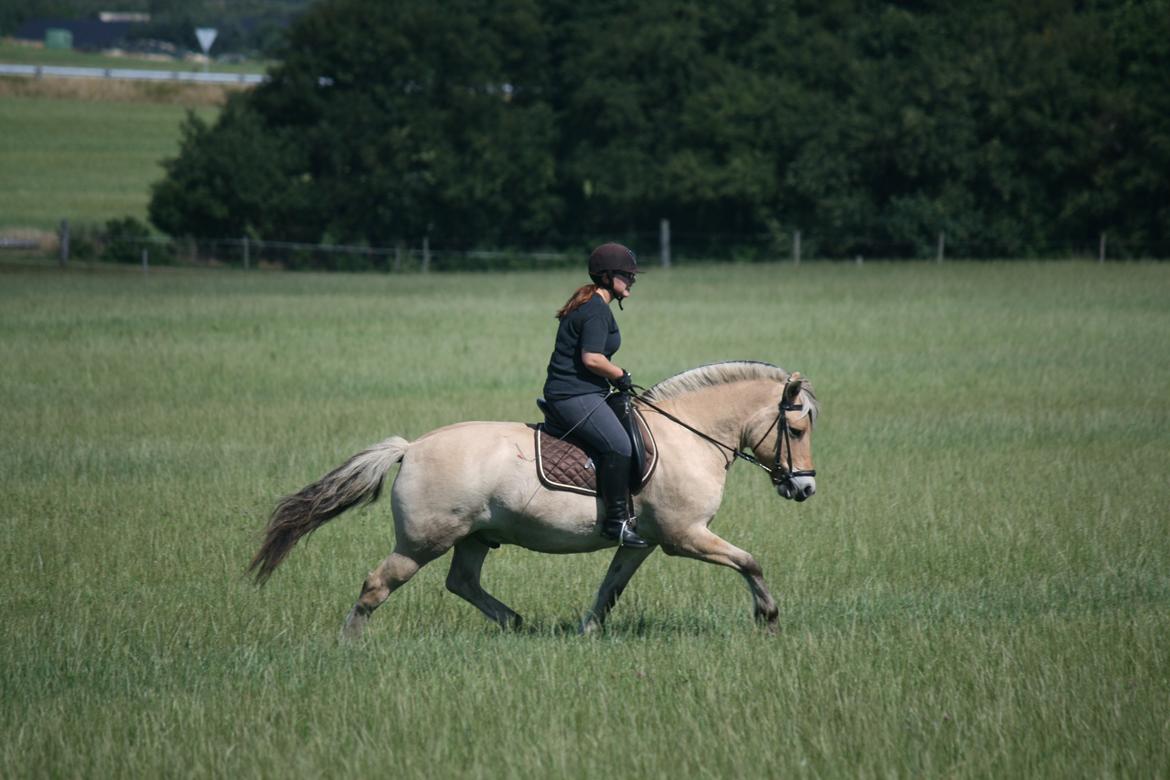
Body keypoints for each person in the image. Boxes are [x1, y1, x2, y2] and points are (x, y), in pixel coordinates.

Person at [542, 242, 650, 547]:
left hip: (585, 390)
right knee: (619, 445)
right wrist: (619, 374)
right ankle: (615, 523)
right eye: (627, 275)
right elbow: (592, 359)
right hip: (573, 395)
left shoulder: (591, 305)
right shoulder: (595, 311)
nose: (632, 280)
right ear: (607, 276)